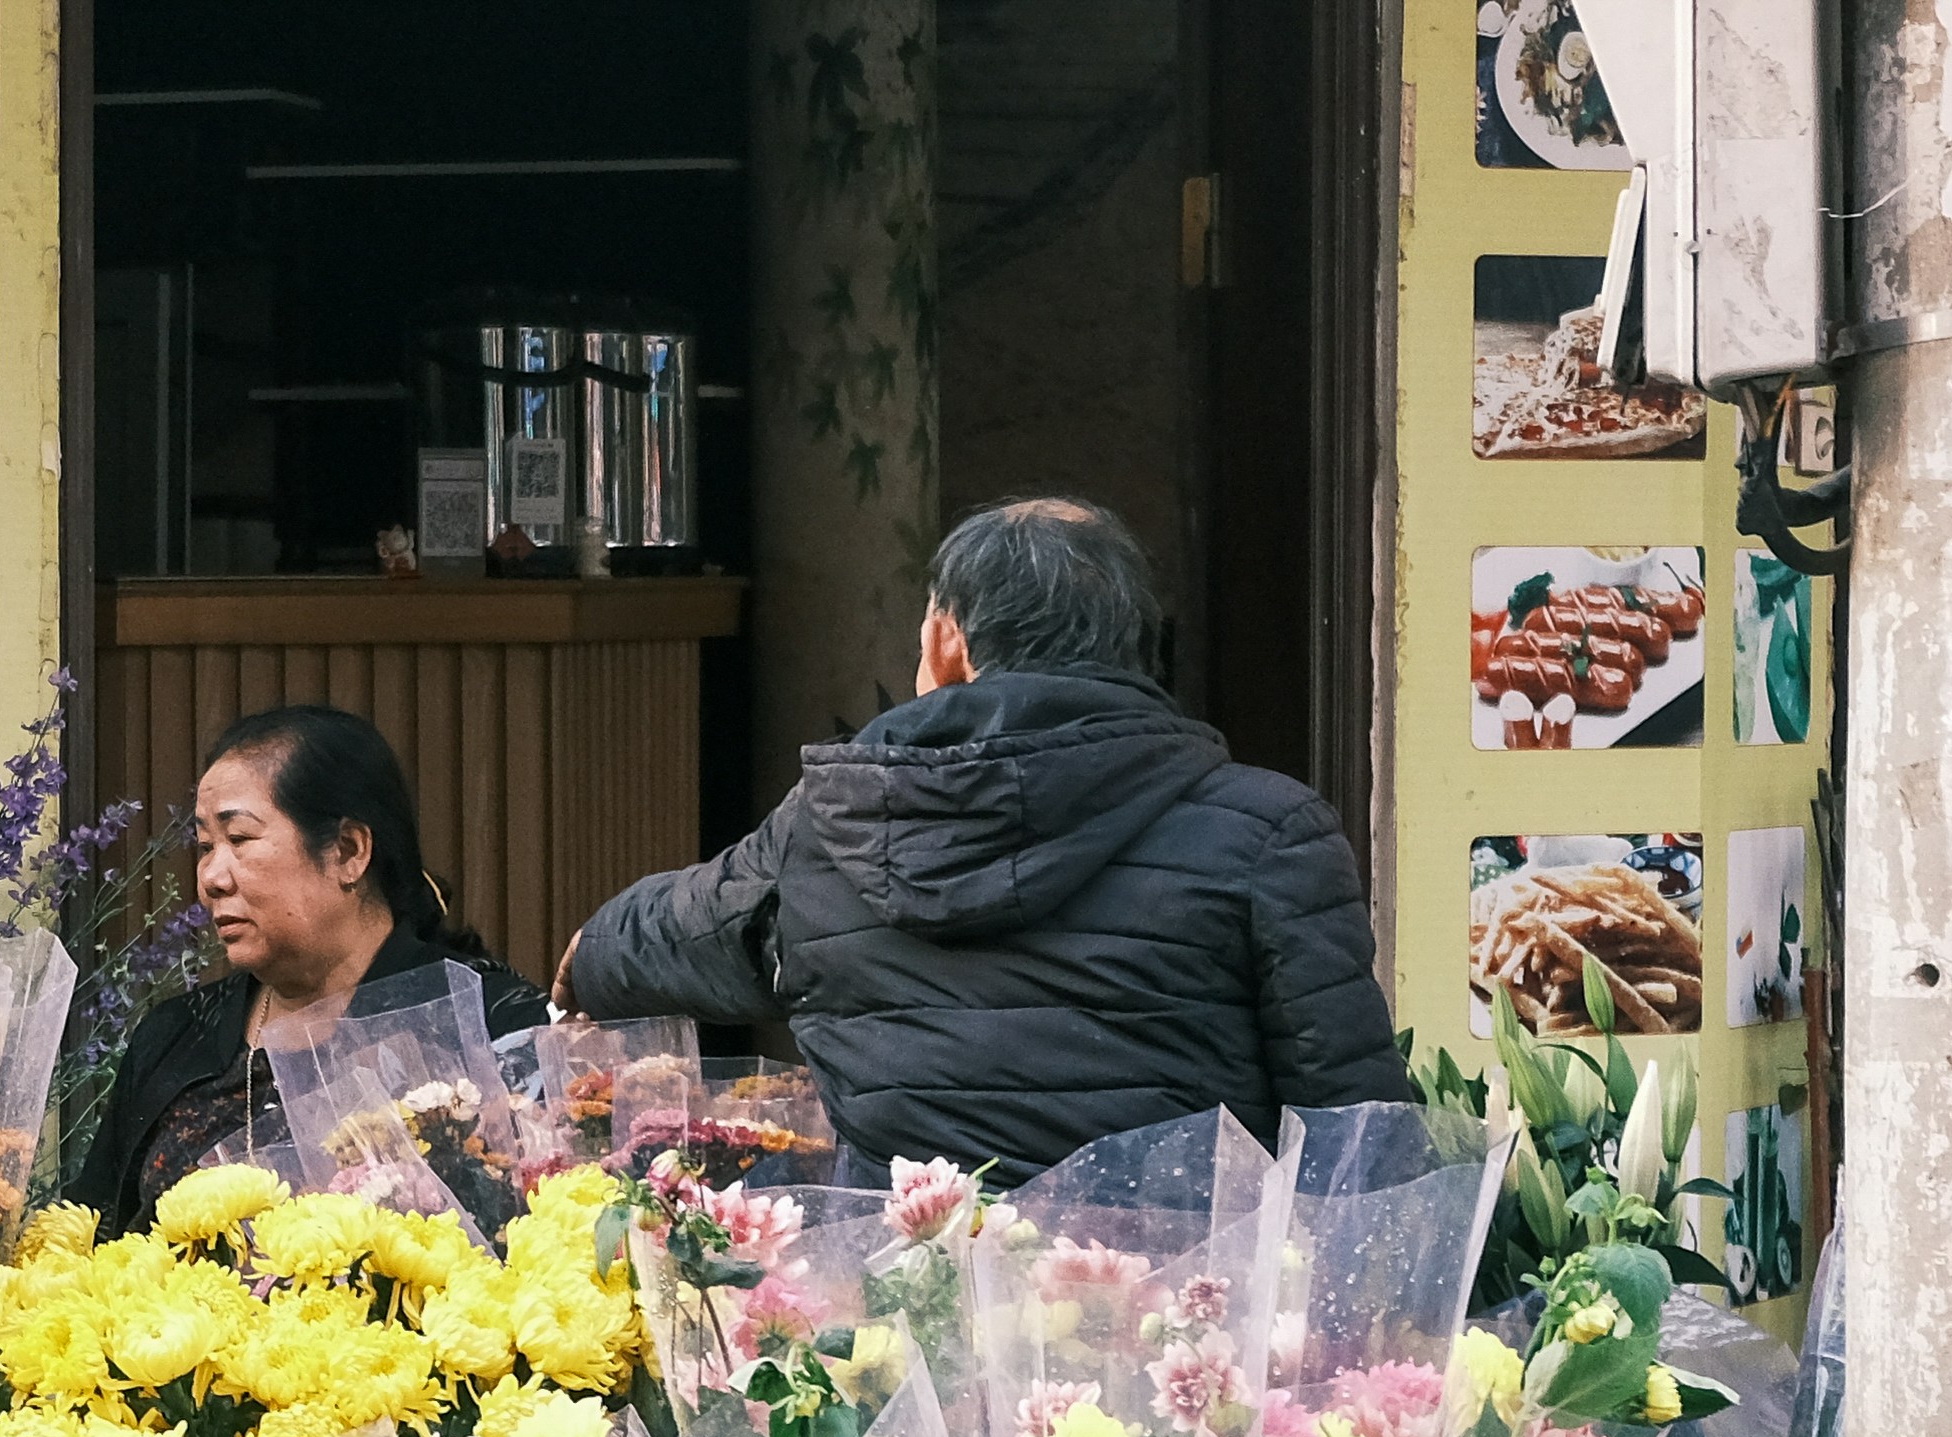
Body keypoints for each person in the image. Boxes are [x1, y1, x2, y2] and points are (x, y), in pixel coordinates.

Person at [561, 495, 1404, 1173]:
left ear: (947, 641)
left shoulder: (827, 826)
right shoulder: (1273, 833)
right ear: (1135, 648)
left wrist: (587, 957)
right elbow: (1361, 1142)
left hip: (906, 1326)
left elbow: (680, 928)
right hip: (1187, 1333)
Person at [72, 704, 550, 1229]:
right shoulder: (173, 1037)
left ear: (348, 851)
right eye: (207, 846)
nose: (211, 877)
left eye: (239, 840)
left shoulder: (486, 1020)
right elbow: (89, 1235)